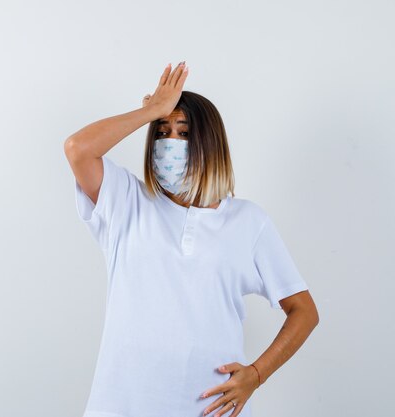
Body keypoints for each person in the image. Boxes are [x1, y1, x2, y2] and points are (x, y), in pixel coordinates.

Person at [63, 61, 319, 417]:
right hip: (120, 406)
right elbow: (78, 148)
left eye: (183, 133)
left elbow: (304, 311)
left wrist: (256, 375)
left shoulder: (247, 221)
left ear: (208, 142)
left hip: (204, 408)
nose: (170, 143)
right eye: (162, 132)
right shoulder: (126, 202)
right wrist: (150, 111)